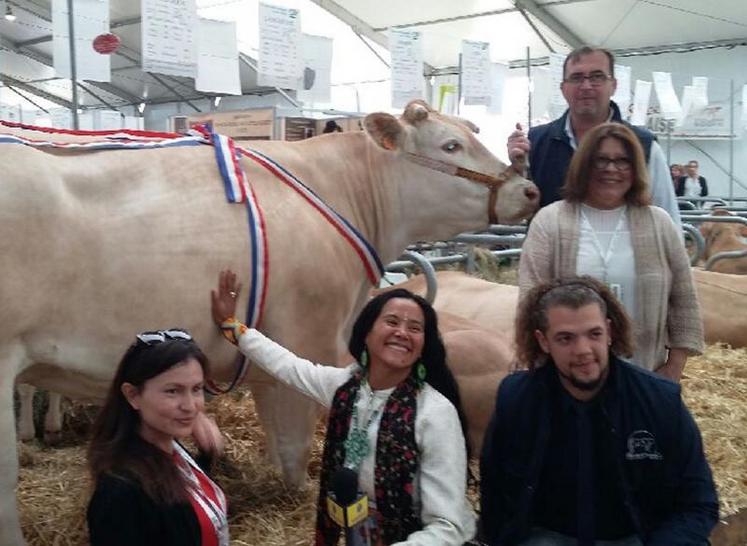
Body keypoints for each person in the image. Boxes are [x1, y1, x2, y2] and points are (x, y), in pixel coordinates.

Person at [211, 270, 475, 545]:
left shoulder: (434, 413)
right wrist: (232, 326)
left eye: (415, 328)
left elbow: (447, 526)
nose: (402, 332)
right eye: (392, 321)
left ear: (423, 346)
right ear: (366, 333)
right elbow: (287, 366)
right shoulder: (346, 387)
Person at [479, 276, 719, 546]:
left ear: (609, 331)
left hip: (640, 538)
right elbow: (494, 496)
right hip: (545, 538)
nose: (583, 350)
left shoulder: (660, 400)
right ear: (543, 341)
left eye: (593, 334)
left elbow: (699, 501)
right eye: (565, 338)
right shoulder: (516, 399)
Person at [518, 122, 703, 380]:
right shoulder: (550, 222)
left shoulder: (659, 223)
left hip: (645, 373)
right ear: (583, 166)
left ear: (635, 167)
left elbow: (684, 299)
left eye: (622, 161)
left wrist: (674, 367)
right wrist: (539, 366)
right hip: (567, 378)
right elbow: (530, 301)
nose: (611, 169)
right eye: (600, 160)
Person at [507, 46, 681, 228]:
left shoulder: (644, 146)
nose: (586, 86)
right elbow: (515, 212)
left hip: (622, 255)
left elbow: (669, 222)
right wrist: (516, 170)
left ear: (613, 85)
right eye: (576, 78)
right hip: (553, 254)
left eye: (597, 77)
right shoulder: (536, 141)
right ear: (563, 88)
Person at [87, 329, 228, 546]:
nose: (190, 406)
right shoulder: (120, 493)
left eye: (197, 389)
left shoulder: (173, 451)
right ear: (133, 395)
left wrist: (208, 456)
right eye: (173, 391)